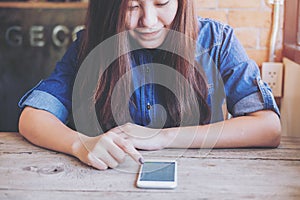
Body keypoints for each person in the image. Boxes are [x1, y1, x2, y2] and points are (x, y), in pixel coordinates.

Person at [18, 0, 281, 170]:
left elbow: (268, 127)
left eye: (161, 2)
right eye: (132, 7)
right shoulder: (88, 46)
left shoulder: (217, 40)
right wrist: (80, 144)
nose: (149, 21)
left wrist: (164, 137)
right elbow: (32, 117)